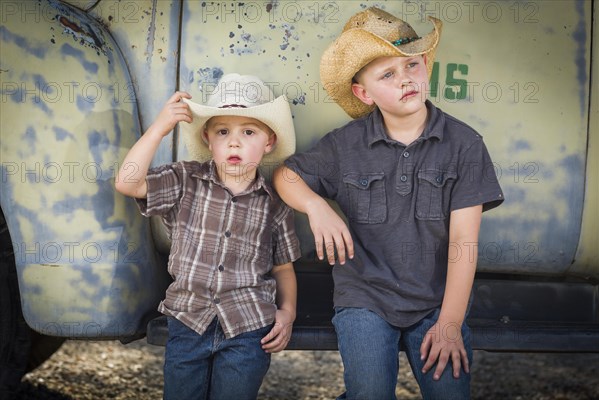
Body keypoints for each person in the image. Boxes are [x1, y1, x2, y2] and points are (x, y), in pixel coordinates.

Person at [273, 7, 504, 400]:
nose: (406, 80)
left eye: (411, 65)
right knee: (370, 394)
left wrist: (449, 322)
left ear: (427, 65)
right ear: (363, 93)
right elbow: (285, 175)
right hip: (365, 298)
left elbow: (465, 242)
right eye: (387, 74)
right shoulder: (346, 145)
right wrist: (316, 206)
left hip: (435, 301)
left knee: (450, 394)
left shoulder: (465, 145)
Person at [115, 73, 301, 400]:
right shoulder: (185, 180)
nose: (234, 142)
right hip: (188, 320)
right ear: (207, 138)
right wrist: (159, 128)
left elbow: (283, 268)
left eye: (248, 131)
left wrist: (288, 313)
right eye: (223, 131)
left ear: (269, 141)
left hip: (248, 326)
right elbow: (128, 183)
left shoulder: (275, 205)